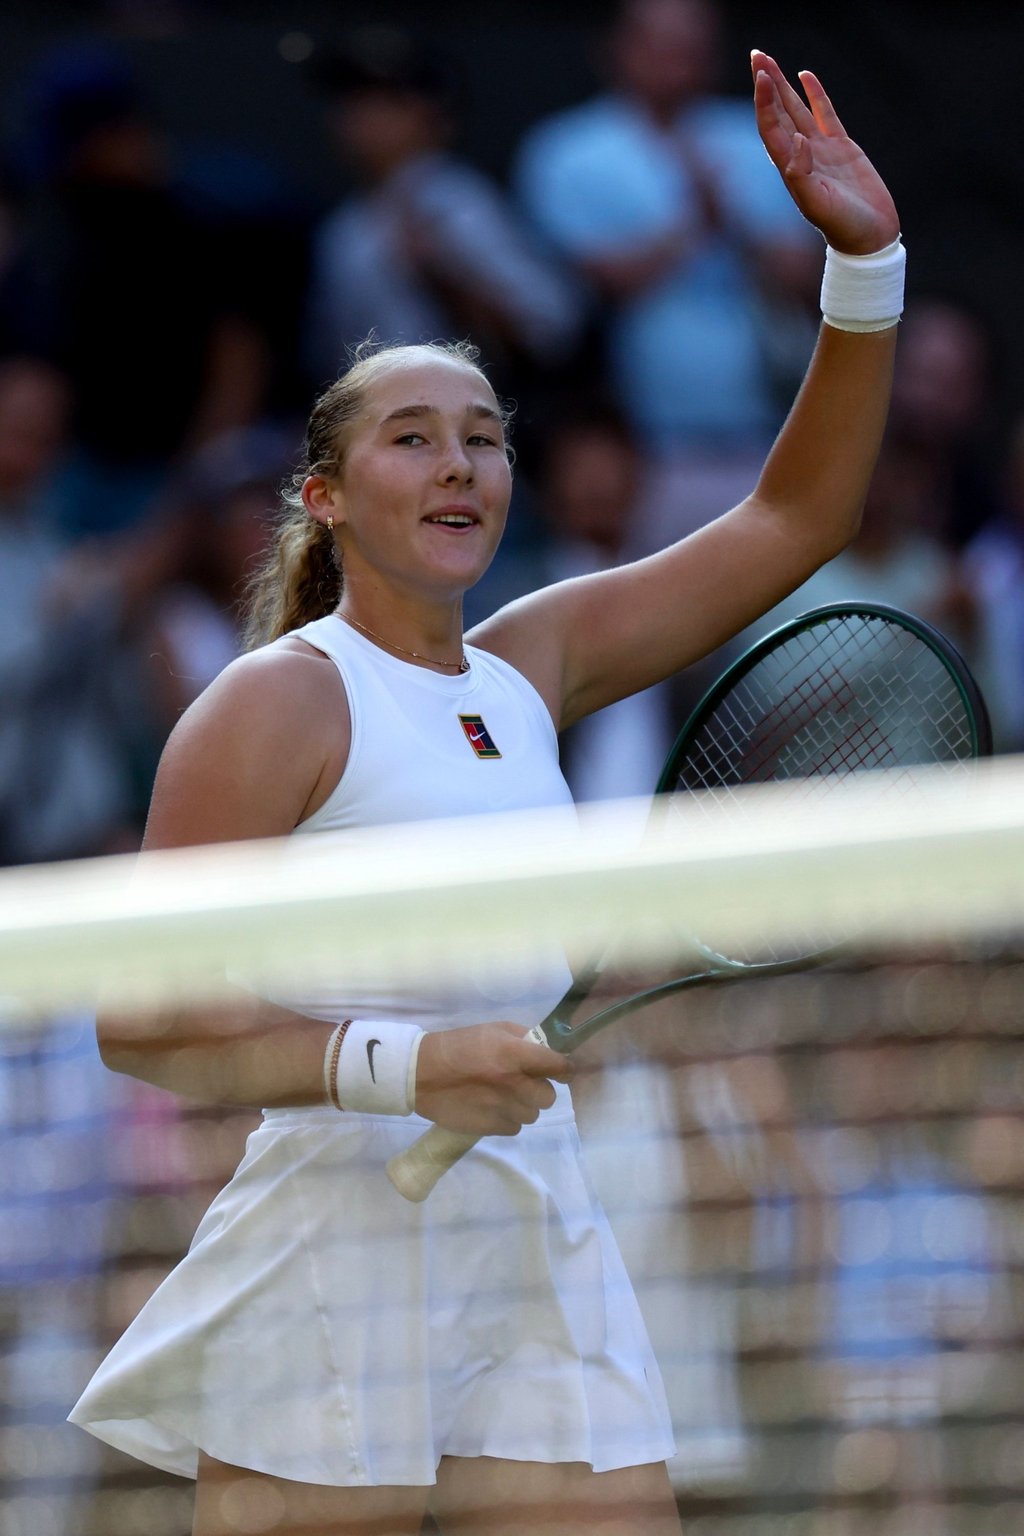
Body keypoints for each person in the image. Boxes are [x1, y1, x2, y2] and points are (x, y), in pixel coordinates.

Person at [70, 51, 903, 1535]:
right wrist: (408, 1065)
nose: (461, 462)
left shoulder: (536, 659)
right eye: (412, 436)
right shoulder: (278, 700)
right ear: (325, 497)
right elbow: (141, 1020)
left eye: (484, 436)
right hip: (339, 1238)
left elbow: (798, 514)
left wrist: (867, 264)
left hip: (536, 1218)